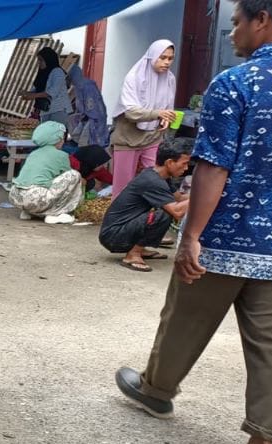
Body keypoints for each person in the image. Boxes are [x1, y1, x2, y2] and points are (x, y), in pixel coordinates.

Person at [116, 0, 272, 444]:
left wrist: (190, 235)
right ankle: (264, 443)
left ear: (263, 21)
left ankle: (157, 391)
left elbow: (213, 166)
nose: (231, 34)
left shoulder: (234, 83)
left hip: (226, 235)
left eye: (235, 23)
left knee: (184, 318)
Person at [98, 138, 192, 272]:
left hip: (118, 230)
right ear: (170, 162)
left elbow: (181, 198)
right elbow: (177, 211)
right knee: (164, 214)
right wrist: (204, 196)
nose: (186, 168)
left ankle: (139, 248)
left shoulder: (159, 176)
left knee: (166, 211)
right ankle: (133, 254)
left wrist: (206, 193)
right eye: (184, 164)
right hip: (113, 236)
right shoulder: (152, 181)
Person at [110, 40, 178, 198]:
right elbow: (131, 112)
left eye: (170, 58)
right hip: (128, 138)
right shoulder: (134, 77)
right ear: (152, 57)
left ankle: (148, 219)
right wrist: (157, 114)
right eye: (162, 57)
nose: (167, 62)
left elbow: (168, 108)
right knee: (122, 187)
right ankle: (117, 222)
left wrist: (166, 118)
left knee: (155, 180)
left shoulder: (170, 79)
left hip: (153, 137)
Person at [7, 121, 83, 224]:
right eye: (62, 138)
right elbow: (65, 179)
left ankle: (29, 212)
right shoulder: (61, 155)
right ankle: (55, 214)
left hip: (15, 195)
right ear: (58, 139)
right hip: (36, 197)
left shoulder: (34, 153)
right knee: (74, 175)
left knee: (42, 183)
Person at [21, 47, 72, 125]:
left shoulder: (57, 72)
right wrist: (26, 93)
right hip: (45, 110)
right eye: (38, 60)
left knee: (54, 135)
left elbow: (52, 92)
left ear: (48, 59)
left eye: (41, 60)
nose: (38, 62)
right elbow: (36, 89)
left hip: (59, 110)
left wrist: (33, 96)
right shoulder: (42, 73)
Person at [68, 64, 110, 147]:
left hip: (94, 117)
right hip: (86, 117)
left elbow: (92, 104)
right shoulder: (78, 87)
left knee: (91, 141)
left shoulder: (87, 86)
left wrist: (86, 116)